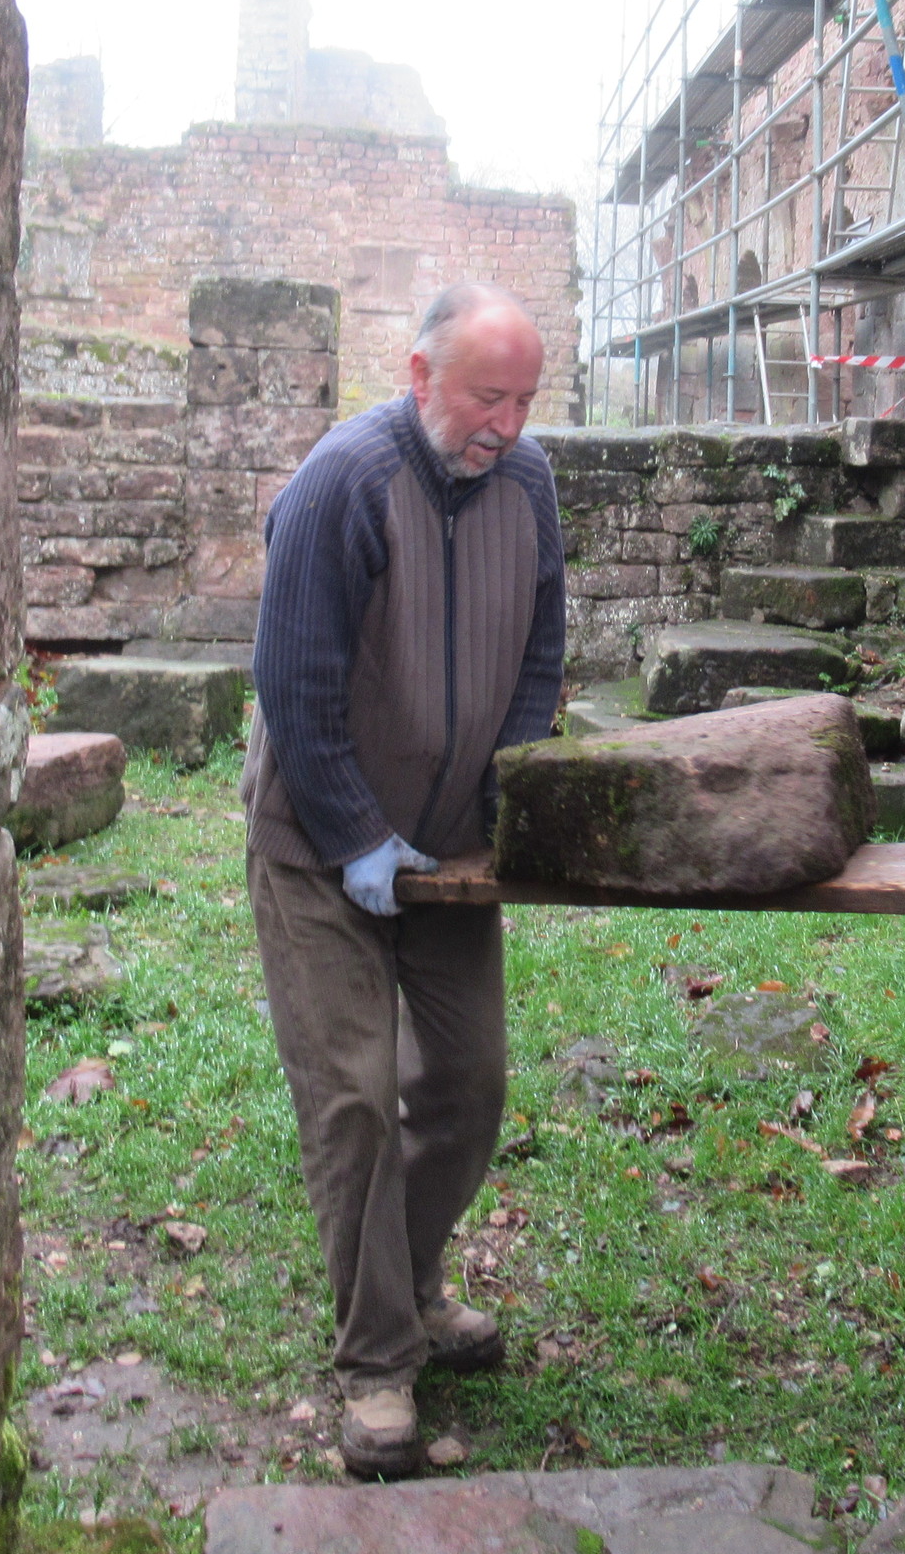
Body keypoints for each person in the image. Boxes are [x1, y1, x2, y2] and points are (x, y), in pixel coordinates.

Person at [242, 280, 565, 1477]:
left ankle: (413, 1283)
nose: (508, 426)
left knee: (468, 1087)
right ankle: (379, 1362)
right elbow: (294, 682)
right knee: (356, 1103)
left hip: (451, 847)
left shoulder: (528, 486)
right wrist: (355, 836)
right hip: (317, 843)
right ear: (420, 374)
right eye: (488, 396)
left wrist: (500, 802)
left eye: (527, 400)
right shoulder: (344, 483)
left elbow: (540, 658)